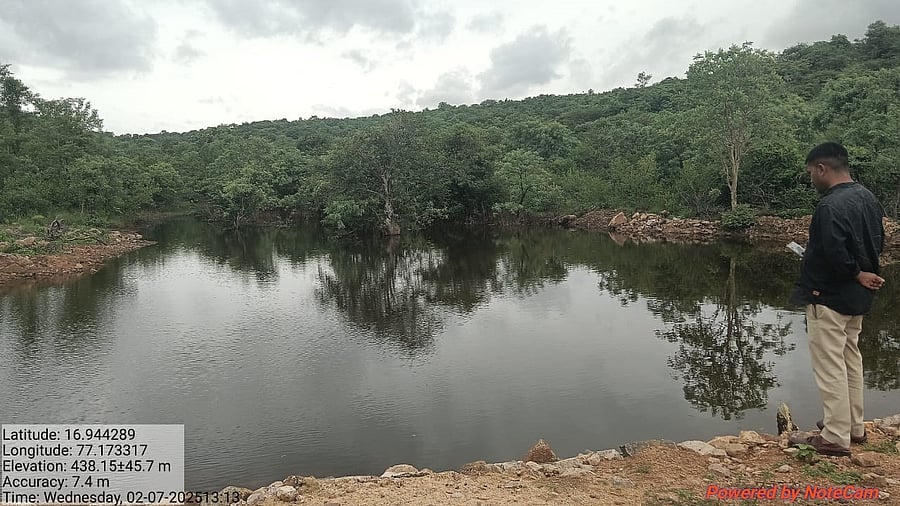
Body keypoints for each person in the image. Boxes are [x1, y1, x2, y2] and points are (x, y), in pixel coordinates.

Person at [788, 141, 885, 456]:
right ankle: (853, 426)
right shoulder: (867, 198)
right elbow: (874, 242)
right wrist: (860, 274)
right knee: (849, 358)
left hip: (827, 296)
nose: (811, 180)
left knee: (830, 365)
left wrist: (853, 272)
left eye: (810, 174)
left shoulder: (829, 205)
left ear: (821, 169)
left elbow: (835, 252)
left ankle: (834, 437)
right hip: (856, 298)